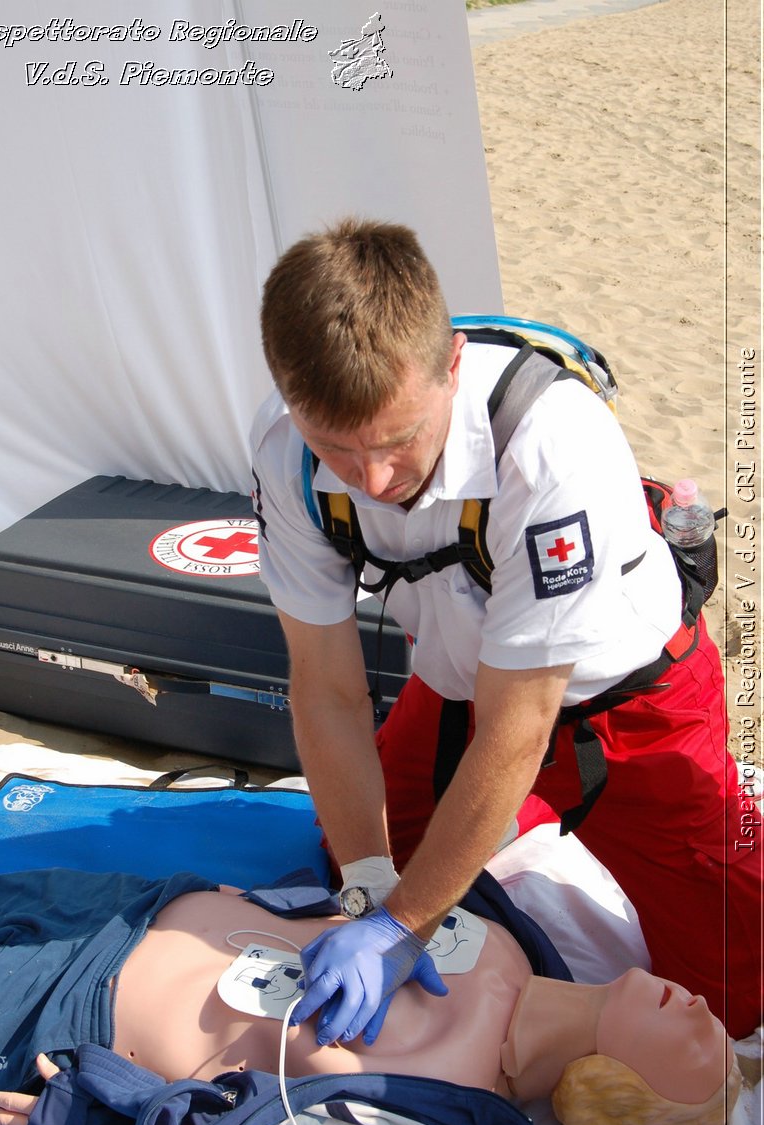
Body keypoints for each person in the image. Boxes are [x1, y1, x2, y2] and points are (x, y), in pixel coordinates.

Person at [250, 217, 762, 1043]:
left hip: (626, 705)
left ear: (452, 364)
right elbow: (328, 689)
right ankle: (502, 821)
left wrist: (402, 925)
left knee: (737, 991)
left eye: (398, 439)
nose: (374, 480)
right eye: (335, 448)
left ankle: (515, 817)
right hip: (456, 687)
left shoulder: (551, 442)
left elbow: (518, 729)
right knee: (355, 861)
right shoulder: (284, 455)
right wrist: (370, 895)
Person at [0, 868, 740, 1125]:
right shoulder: (523, 940)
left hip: (58, 1015)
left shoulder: (446, 1112)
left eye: (695, 1041)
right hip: (138, 903)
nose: (702, 1007)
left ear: (622, 1084)